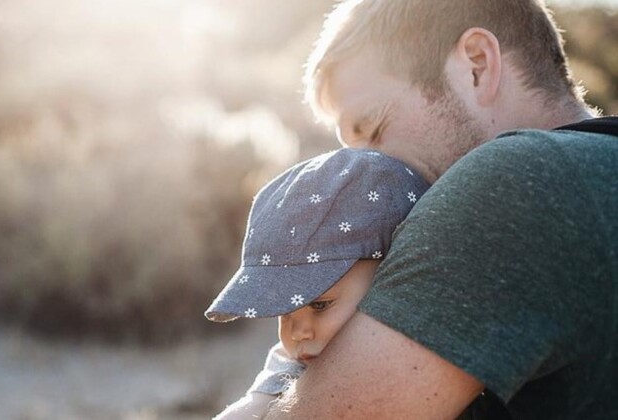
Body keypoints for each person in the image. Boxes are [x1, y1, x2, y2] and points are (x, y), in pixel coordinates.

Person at [261, 0, 618, 419]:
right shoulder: (597, 169)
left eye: (374, 129)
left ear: (477, 65)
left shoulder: (513, 181)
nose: (363, 175)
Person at [204, 148, 430, 419]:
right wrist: (257, 402)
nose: (297, 333)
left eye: (320, 305)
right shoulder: (306, 359)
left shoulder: (429, 351)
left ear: (391, 272)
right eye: (285, 312)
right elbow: (281, 369)